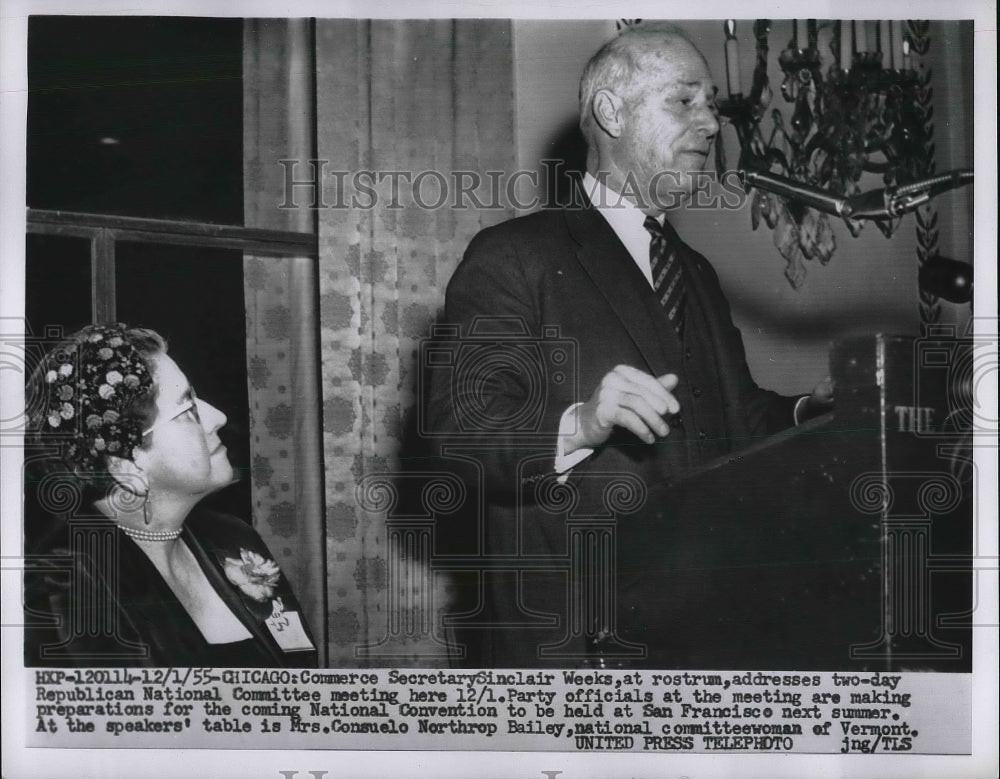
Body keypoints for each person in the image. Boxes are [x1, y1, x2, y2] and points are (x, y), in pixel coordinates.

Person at [425, 25, 833, 667]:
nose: (710, 125)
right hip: (577, 640)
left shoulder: (693, 270)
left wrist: (814, 410)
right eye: (685, 101)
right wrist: (583, 422)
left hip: (702, 628)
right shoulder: (514, 256)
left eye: (714, 106)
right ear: (611, 112)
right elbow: (460, 436)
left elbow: (738, 418)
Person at [23, 324, 317, 667]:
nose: (218, 418)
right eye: (188, 408)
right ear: (126, 465)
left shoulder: (234, 537)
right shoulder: (66, 585)